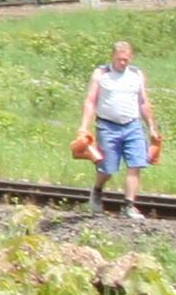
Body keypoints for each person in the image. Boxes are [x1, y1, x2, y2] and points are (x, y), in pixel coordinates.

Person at [70, 40, 166, 219]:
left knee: (136, 163)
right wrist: (84, 126)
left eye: (126, 59)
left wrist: (151, 127)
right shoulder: (102, 74)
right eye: (120, 59)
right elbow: (90, 101)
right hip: (108, 126)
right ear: (113, 57)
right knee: (107, 167)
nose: (123, 63)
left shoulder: (136, 75)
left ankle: (129, 205)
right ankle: (97, 191)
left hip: (132, 125)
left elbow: (144, 102)